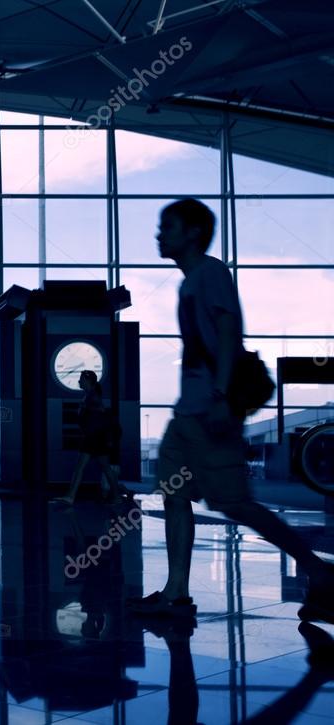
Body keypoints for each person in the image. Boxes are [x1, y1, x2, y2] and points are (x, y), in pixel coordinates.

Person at [128, 199, 334, 620]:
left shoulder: (211, 273)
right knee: (173, 493)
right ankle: (176, 593)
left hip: (210, 412)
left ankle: (319, 571)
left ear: (192, 233)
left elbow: (228, 333)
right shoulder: (190, 282)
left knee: (236, 503)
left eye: (167, 226)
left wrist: (222, 398)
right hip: (188, 413)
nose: (159, 234)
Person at [52, 370, 127, 505]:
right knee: (104, 467)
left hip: (93, 438)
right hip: (96, 438)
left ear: (88, 381)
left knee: (82, 467)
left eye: (81, 379)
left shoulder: (92, 397)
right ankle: (116, 497)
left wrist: (89, 428)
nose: (79, 381)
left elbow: (98, 416)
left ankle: (70, 496)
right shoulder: (91, 396)